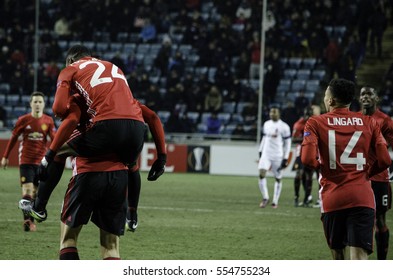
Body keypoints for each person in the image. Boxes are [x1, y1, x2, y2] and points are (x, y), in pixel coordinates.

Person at [25, 45, 150, 221]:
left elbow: (61, 110)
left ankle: (39, 206)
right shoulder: (113, 68)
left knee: (60, 152)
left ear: (70, 61)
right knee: (132, 165)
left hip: (105, 129)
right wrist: (162, 158)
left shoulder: (71, 70)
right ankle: (132, 216)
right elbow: (152, 117)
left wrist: (48, 155)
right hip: (136, 127)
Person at [301, 78, 391, 260]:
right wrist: (365, 174)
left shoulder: (315, 122)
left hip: (333, 196)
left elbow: (307, 159)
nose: (325, 98)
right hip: (362, 196)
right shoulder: (369, 122)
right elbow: (385, 160)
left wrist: (325, 171)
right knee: (358, 260)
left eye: (326, 95)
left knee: (339, 258)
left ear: (331, 100)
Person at [1, 92, 56, 231]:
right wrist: (5, 156)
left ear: (44, 104)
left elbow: (54, 139)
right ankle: (28, 221)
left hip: (41, 162)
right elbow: (13, 138)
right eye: (35, 102)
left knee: (36, 193)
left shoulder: (48, 121)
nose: (37, 104)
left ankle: (32, 216)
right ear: (30, 103)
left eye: (40, 102)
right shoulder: (23, 120)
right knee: (27, 189)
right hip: (25, 160)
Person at [359, 85, 393, 260]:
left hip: (379, 178)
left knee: (380, 221)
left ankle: (382, 264)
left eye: (369, 94)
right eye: (362, 94)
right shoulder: (355, 119)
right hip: (358, 179)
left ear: (376, 98)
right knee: (360, 222)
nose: (365, 97)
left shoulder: (385, 121)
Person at [257, 105, 291, 208]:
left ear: (279, 114)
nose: (272, 114)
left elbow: (288, 143)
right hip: (266, 154)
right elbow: (264, 138)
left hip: (277, 155)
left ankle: (275, 201)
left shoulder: (284, 127)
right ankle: (265, 197)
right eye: (271, 112)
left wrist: (285, 157)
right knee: (262, 173)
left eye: (274, 112)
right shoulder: (266, 124)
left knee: (278, 178)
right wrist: (260, 150)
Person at [292, 106, 314, 207]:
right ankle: (296, 197)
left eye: (310, 114)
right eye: (307, 114)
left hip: (312, 152)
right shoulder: (298, 124)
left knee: (309, 176)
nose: (308, 116)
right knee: (298, 175)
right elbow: (293, 139)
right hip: (300, 153)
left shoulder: (315, 123)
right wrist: (306, 139)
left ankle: (306, 199)